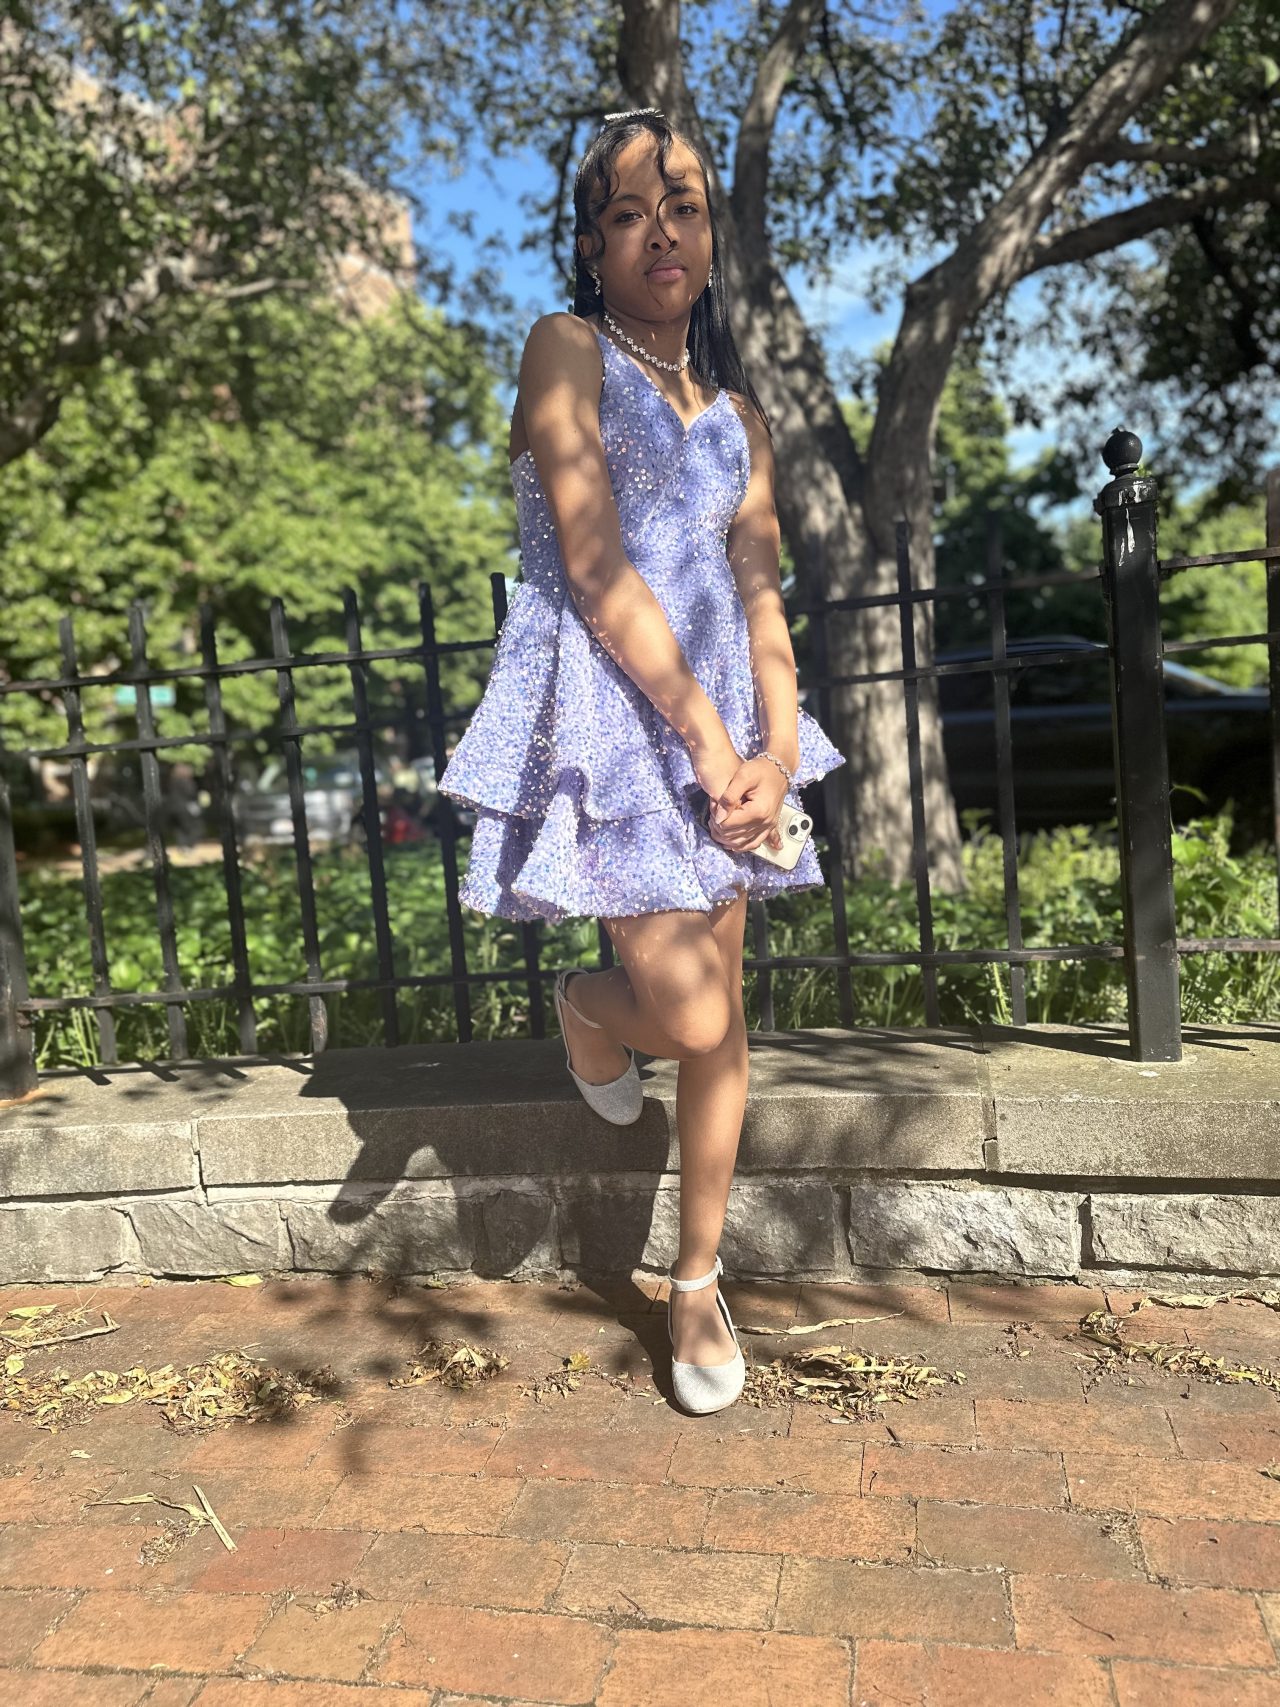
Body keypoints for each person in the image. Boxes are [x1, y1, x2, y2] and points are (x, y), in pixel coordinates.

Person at [437, 107, 845, 1414]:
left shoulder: (741, 418)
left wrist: (777, 749)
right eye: (628, 211)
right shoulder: (563, 349)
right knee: (689, 1014)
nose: (660, 231)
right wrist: (718, 747)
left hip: (728, 738)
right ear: (593, 243)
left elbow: (762, 593)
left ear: (711, 236)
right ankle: (585, 1006)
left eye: (683, 206)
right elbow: (594, 561)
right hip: (619, 727)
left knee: (726, 1021)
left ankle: (695, 1280)